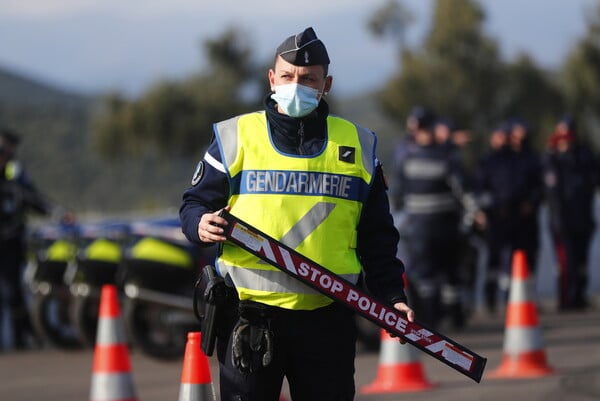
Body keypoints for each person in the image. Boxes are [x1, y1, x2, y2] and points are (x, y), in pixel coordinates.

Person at [179, 27, 414, 401]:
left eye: (308, 79)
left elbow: (377, 237)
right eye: (287, 76)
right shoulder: (235, 136)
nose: (296, 85)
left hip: (328, 318)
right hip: (249, 316)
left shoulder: (358, 144)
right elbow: (193, 205)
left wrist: (391, 296)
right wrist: (200, 225)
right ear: (272, 79)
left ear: (327, 84)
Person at [390, 106, 469, 330]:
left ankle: (455, 317)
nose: (420, 132)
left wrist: (474, 214)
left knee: (451, 275)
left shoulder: (446, 156)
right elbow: (398, 192)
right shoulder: (406, 156)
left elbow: (461, 189)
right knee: (425, 277)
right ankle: (431, 319)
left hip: (446, 225)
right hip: (420, 228)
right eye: (417, 128)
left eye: (423, 128)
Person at [0, 128, 52, 350]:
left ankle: (22, 338)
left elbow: (34, 198)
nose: (5, 154)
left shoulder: (15, 173)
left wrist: (56, 212)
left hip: (11, 243)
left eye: (6, 150)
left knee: (13, 292)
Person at [542, 116, 598, 310]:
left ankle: (579, 297)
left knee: (581, 262)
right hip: (561, 220)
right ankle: (565, 299)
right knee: (566, 263)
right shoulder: (552, 157)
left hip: (582, 218)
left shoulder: (584, 155)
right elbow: (551, 191)